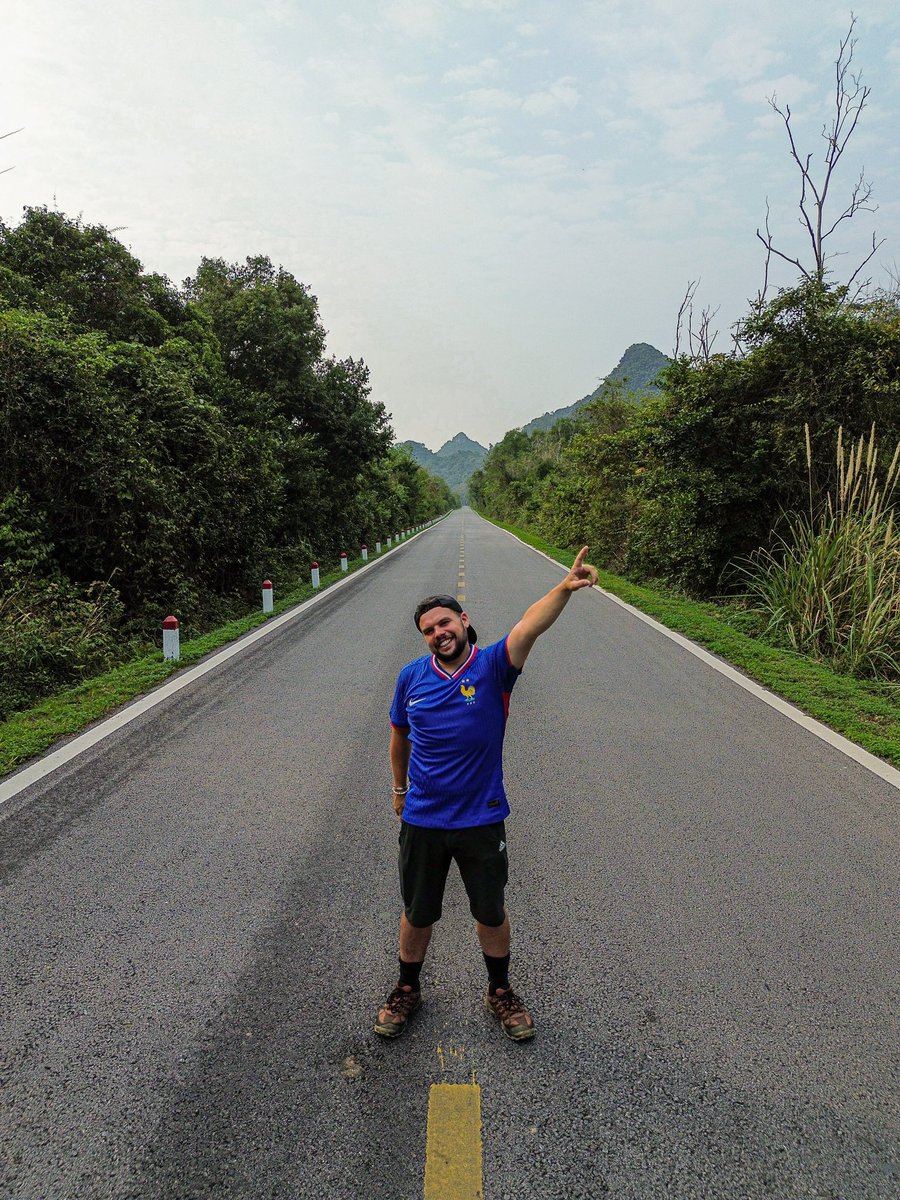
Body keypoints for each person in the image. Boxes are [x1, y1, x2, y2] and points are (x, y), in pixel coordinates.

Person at [374, 546, 598, 1041]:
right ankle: (406, 988)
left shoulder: (494, 665)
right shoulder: (411, 678)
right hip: (424, 818)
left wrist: (564, 588)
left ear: (463, 620)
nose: (438, 633)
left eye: (444, 623)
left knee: (490, 910)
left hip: (481, 817)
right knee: (417, 910)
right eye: (429, 630)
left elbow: (528, 626)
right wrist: (398, 788)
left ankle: (500, 990)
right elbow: (399, 736)